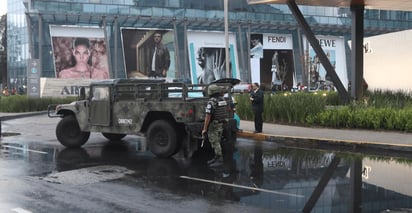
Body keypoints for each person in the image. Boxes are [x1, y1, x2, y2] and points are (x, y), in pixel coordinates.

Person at [202, 84, 226, 167]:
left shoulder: (212, 102)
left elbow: (208, 116)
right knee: (217, 141)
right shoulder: (222, 100)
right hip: (220, 123)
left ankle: (219, 160)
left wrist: (205, 128)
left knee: (215, 142)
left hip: (214, 125)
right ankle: (216, 157)